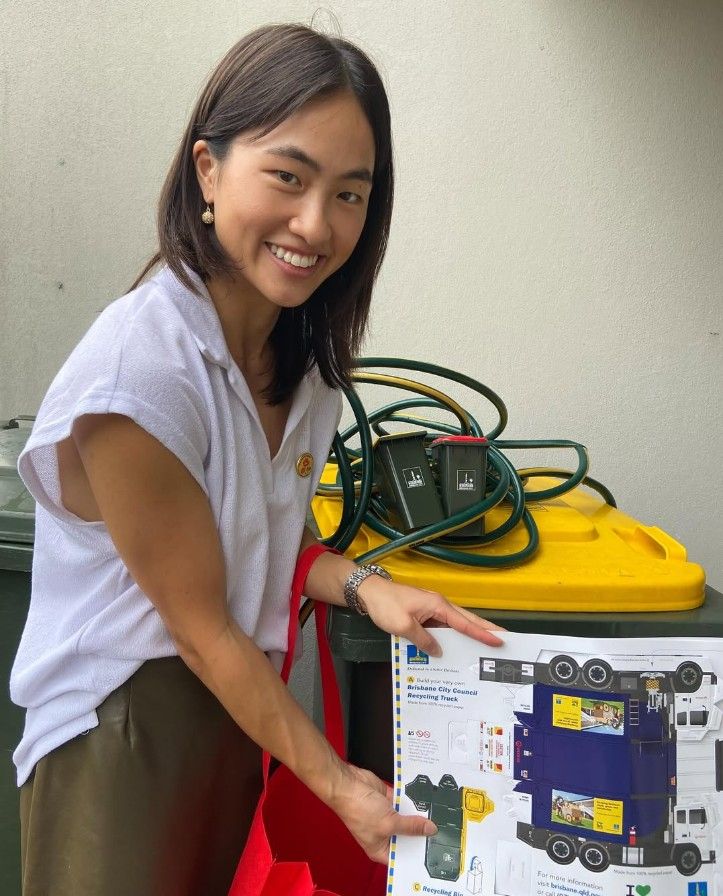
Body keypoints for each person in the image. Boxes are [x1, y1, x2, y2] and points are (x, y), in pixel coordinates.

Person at [11, 23, 503, 896]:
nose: (315, 224)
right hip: (123, 730)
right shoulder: (142, 375)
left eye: (349, 194)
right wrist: (338, 786)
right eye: (288, 176)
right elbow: (200, 629)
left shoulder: (299, 362)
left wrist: (370, 589)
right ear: (208, 170)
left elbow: (258, 542)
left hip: (241, 712)